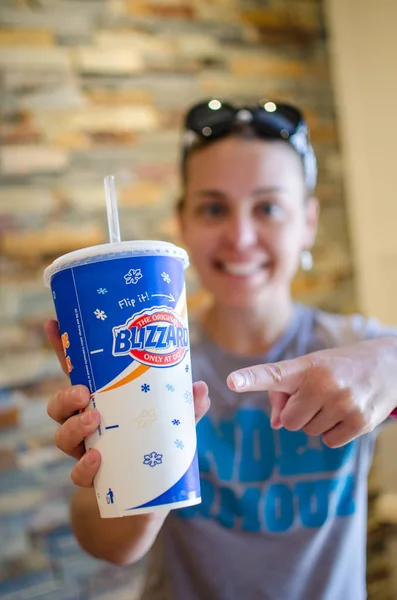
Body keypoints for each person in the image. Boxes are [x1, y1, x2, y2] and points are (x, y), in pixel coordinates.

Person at [45, 99, 397, 600]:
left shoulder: (349, 350)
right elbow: (109, 546)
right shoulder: (137, 365)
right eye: (214, 208)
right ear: (182, 223)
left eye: (268, 207)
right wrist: (123, 456)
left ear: (309, 222)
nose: (241, 236)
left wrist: (387, 361)